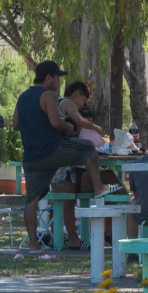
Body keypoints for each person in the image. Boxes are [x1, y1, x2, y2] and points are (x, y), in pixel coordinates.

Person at [13, 61, 105, 252]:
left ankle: (33, 245)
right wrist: (68, 126)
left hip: (31, 157)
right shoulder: (49, 95)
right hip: (52, 150)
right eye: (57, 77)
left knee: (32, 200)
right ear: (49, 77)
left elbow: (15, 124)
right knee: (88, 147)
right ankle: (98, 187)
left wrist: (35, 126)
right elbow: (56, 123)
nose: (59, 81)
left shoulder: (22, 97)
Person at [51, 82, 106, 249]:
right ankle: (73, 238)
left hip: (55, 157)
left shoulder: (57, 104)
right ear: (75, 93)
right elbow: (80, 120)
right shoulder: (66, 103)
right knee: (68, 201)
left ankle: (57, 236)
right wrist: (95, 127)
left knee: (60, 202)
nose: (83, 104)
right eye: (83, 99)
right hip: (63, 161)